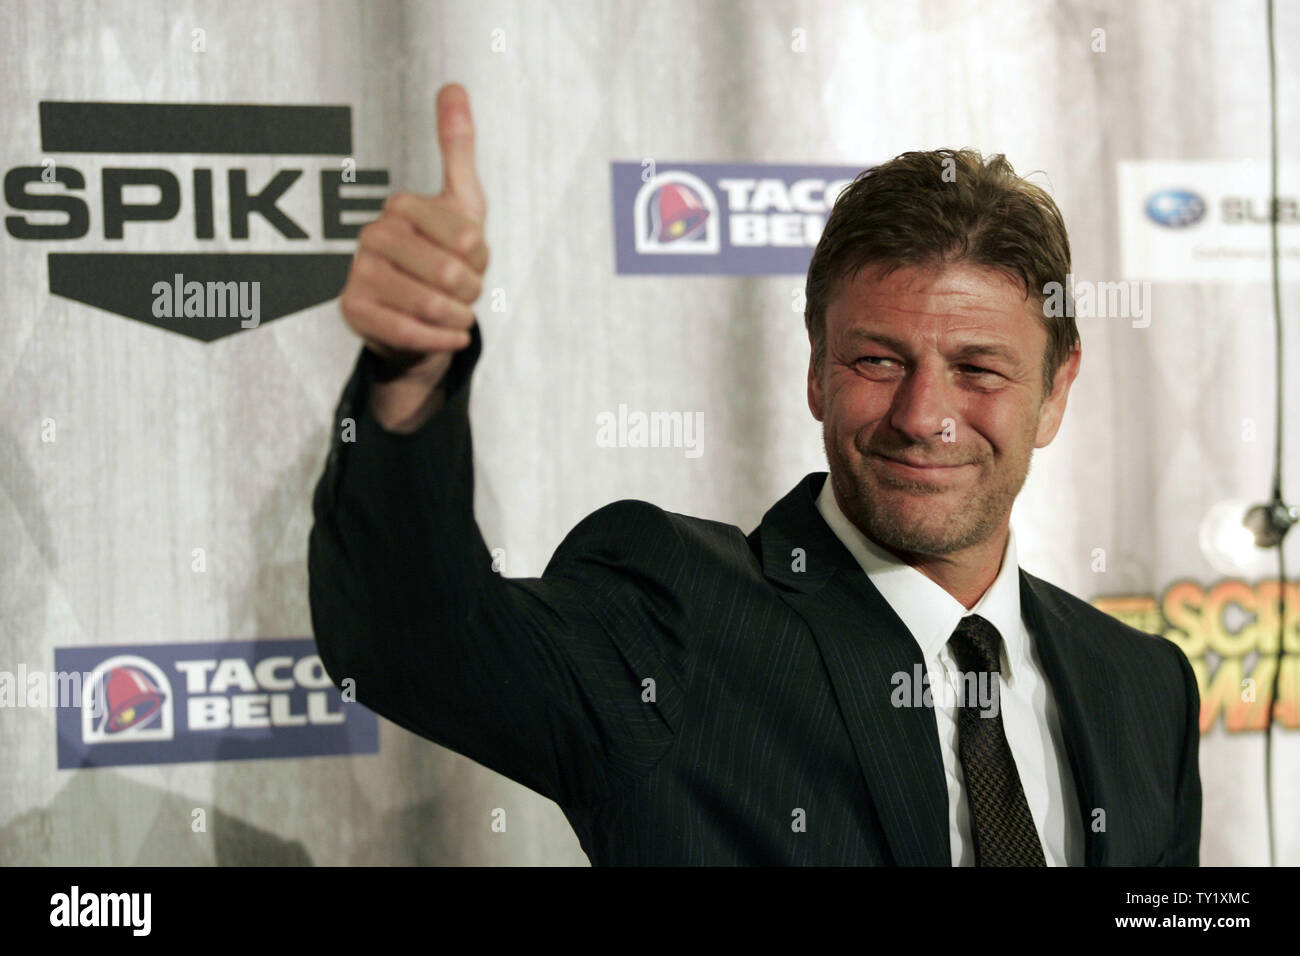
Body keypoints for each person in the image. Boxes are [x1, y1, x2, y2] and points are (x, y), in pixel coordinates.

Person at [308, 83, 1201, 866]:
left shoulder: (1140, 687)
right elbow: (413, 644)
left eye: (979, 369)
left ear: (1056, 392)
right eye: (879, 361)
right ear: (815, 371)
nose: (924, 416)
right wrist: (411, 378)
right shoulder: (673, 614)